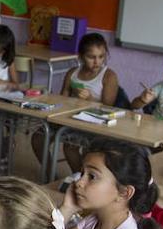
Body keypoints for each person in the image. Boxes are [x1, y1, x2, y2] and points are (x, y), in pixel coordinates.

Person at [33, 33, 122, 172]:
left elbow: (108, 108)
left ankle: (81, 178)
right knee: (38, 138)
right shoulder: (72, 73)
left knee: (70, 146)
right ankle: (50, 175)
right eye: (91, 57)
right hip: (68, 119)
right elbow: (62, 99)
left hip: (92, 124)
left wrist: (90, 99)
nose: (97, 62)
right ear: (80, 56)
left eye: (101, 57)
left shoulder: (109, 76)